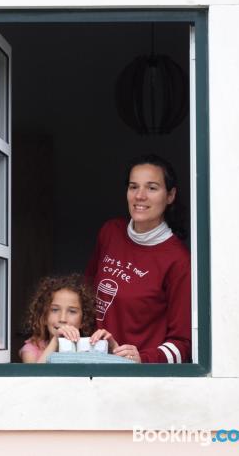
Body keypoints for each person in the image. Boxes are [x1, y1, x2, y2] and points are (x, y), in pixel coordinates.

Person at [86, 154, 191, 364]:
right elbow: (84, 297)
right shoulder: (110, 232)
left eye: (152, 188)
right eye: (134, 187)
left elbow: (184, 344)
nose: (140, 196)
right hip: (93, 366)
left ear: (170, 195)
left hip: (140, 378)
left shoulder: (178, 260)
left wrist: (142, 359)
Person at [19, 273, 98, 363]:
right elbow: (35, 376)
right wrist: (55, 342)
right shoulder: (32, 349)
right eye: (55, 310)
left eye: (72, 311)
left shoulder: (90, 349)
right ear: (43, 317)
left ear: (83, 320)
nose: (62, 319)